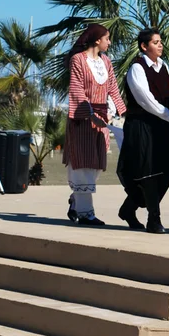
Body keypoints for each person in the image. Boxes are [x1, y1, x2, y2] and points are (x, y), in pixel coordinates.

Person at [63, 24, 126, 226]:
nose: (110, 42)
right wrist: (90, 115)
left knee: (97, 165)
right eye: (107, 38)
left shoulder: (106, 61)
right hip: (82, 120)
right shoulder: (78, 60)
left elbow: (113, 88)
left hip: (102, 120)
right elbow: (76, 89)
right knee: (83, 165)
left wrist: (124, 111)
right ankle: (85, 214)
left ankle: (76, 199)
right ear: (97, 40)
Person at [117, 28, 169, 234]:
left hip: (160, 125)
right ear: (144, 46)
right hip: (141, 125)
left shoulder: (164, 66)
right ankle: (154, 219)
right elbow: (145, 100)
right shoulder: (137, 68)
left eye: (161, 41)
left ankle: (128, 209)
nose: (160, 45)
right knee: (147, 173)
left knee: (165, 172)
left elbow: (164, 97)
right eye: (155, 42)